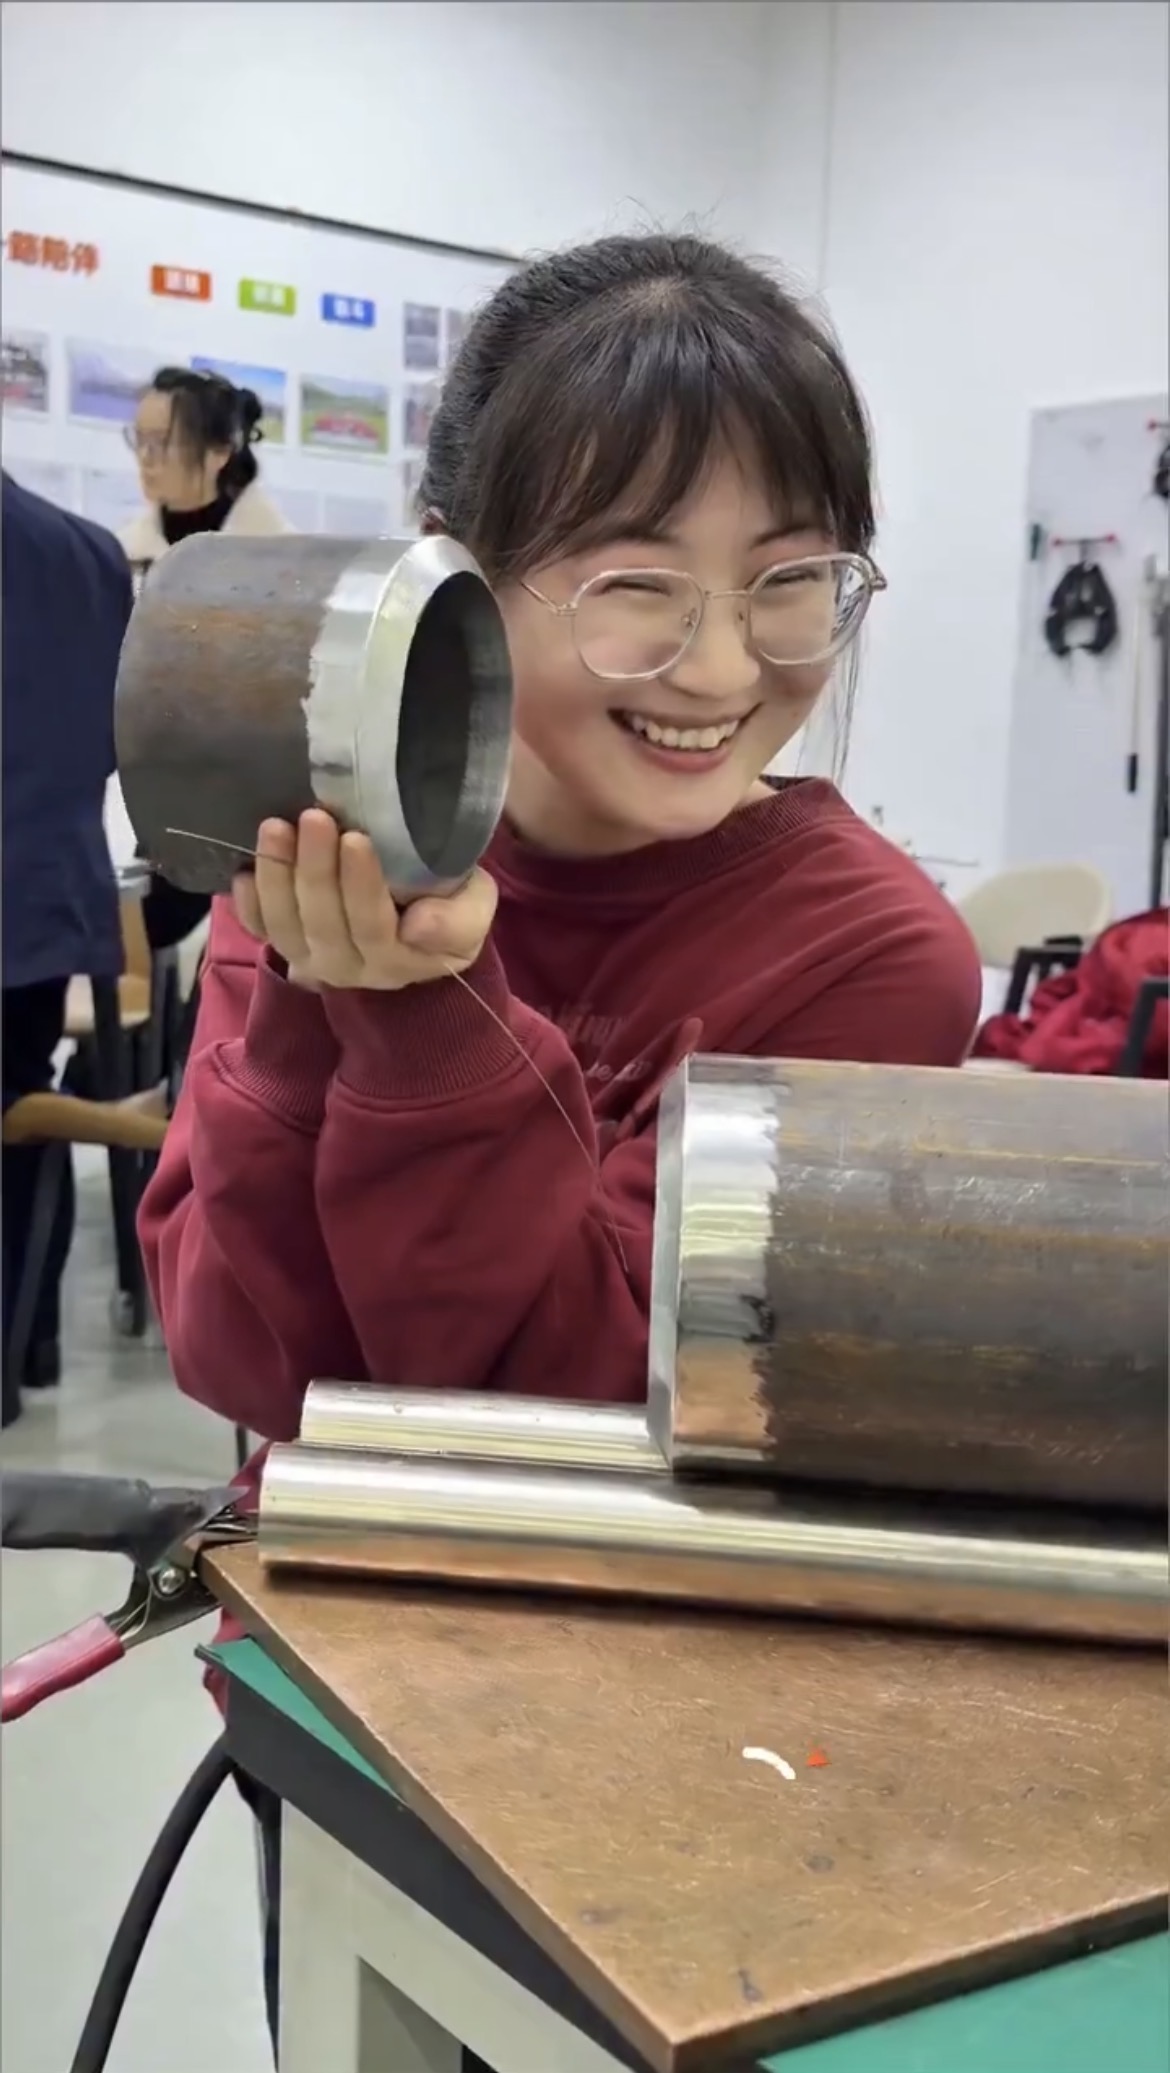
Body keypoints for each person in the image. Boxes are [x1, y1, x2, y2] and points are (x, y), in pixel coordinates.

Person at [139, 232, 982, 2053]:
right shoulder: (324, 842)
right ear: (454, 572)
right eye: (633, 588)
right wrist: (322, 991)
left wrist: (432, 1018)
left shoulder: (870, 955)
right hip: (344, 1696)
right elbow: (241, 1350)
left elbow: (592, 1410)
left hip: (666, 1743)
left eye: (790, 582)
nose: (721, 665)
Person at [2, 474, 132, 1424]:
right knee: (20, 1114)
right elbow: (113, 736)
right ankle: (26, 1344)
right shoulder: (89, 554)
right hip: (46, 901)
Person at [118, 366, 293, 959]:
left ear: (220, 451)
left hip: (255, 815)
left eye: (162, 443)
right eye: (139, 440)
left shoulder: (282, 563)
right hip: (155, 800)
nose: (146, 459)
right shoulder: (123, 556)